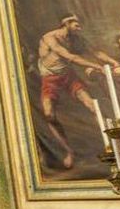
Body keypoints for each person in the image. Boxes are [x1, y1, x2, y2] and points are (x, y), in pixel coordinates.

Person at [36, 14, 113, 169]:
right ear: (66, 23)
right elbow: (70, 57)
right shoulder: (50, 38)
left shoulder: (75, 39)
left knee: (92, 105)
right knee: (49, 114)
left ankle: (115, 144)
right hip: (50, 79)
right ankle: (69, 152)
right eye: (75, 23)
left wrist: (113, 62)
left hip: (68, 76)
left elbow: (96, 52)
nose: (79, 26)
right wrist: (98, 67)